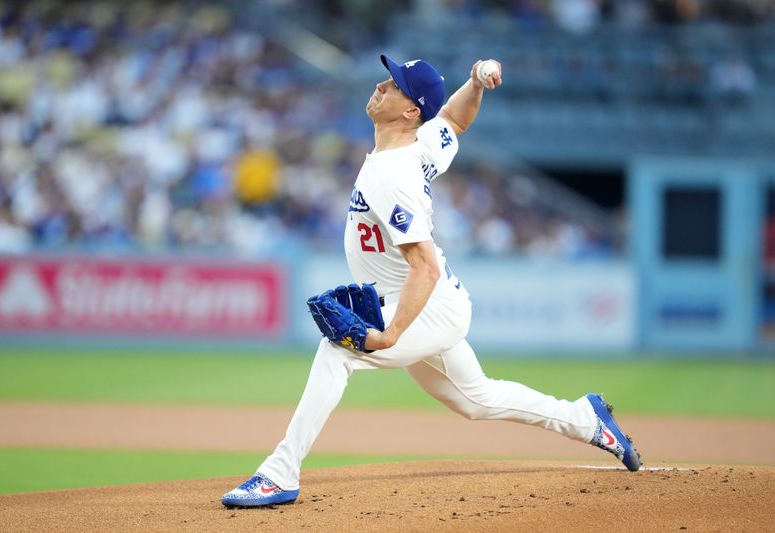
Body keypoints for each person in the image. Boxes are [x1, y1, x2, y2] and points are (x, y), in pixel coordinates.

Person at [221, 54, 642, 508]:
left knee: (337, 351)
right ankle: (586, 418)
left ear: (408, 111)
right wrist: (476, 81)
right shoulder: (418, 141)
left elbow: (425, 266)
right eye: (388, 77)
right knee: (476, 399)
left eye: (396, 85)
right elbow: (454, 121)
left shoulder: (393, 176)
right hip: (423, 300)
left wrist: (390, 334)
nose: (383, 84)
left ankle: (280, 473)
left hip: (425, 303)